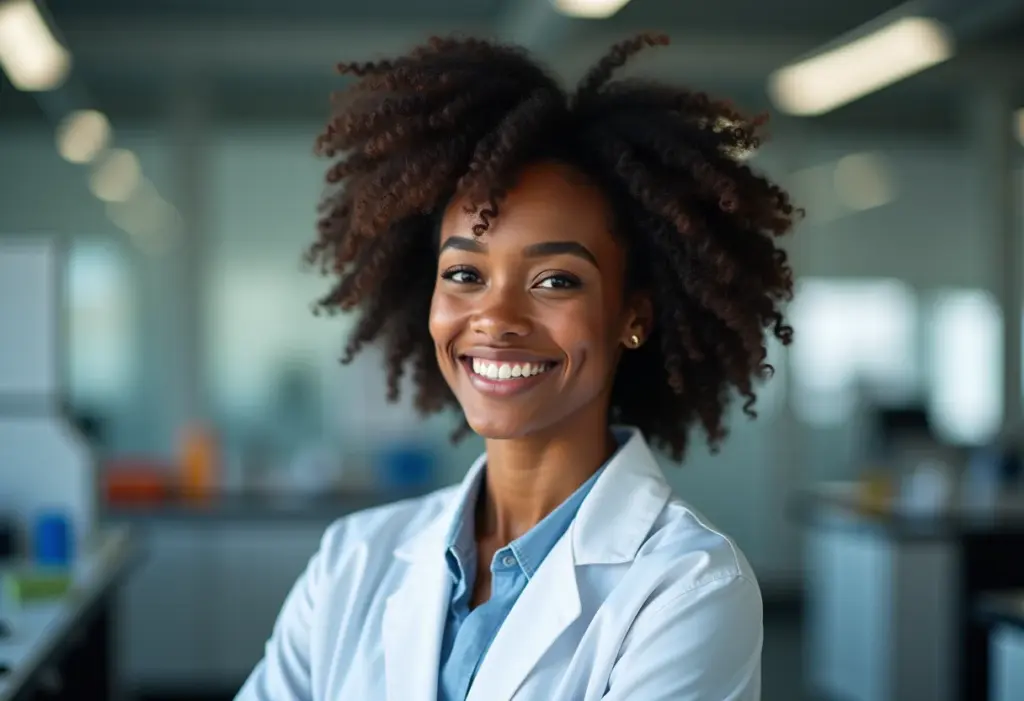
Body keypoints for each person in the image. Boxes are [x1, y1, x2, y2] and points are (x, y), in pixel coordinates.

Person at [235, 32, 797, 701]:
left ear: (633, 316)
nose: (496, 318)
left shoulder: (690, 589)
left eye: (556, 280)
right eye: (466, 272)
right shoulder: (351, 558)